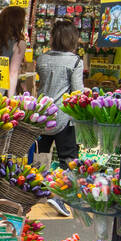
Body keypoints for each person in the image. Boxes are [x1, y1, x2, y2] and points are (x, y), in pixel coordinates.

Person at [32, 19, 85, 166]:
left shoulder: (42, 59)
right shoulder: (75, 61)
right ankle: (65, 188)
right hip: (64, 118)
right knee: (68, 162)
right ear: (72, 39)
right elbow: (77, 93)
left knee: (38, 160)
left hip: (42, 115)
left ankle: (36, 187)